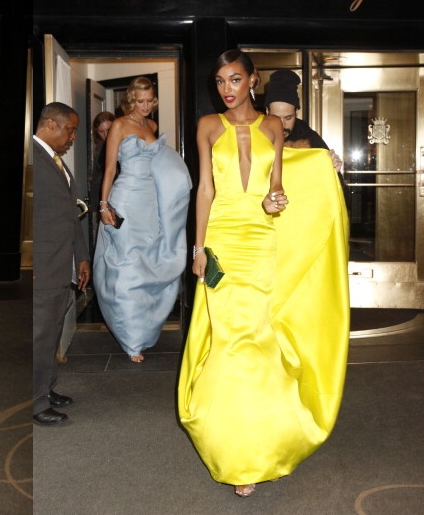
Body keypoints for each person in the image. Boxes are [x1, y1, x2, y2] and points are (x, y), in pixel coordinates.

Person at [178, 50, 349, 498]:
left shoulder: (273, 126)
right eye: (220, 81)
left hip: (259, 243)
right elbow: (205, 190)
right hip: (221, 242)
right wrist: (198, 248)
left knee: (256, 339)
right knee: (230, 340)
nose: (227, 89)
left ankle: (259, 445)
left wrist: (276, 200)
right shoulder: (207, 125)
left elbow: (276, 190)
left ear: (252, 80)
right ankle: (239, 454)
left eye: (235, 79)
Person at [92, 77, 192, 363]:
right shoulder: (119, 125)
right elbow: (109, 169)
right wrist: (103, 204)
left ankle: (143, 328)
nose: (146, 106)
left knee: (147, 264)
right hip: (125, 199)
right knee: (127, 266)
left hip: (150, 202)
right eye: (140, 101)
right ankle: (131, 340)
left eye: (150, 100)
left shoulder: (152, 126)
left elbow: (162, 166)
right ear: (130, 100)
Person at [33, 102, 90, 426]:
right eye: (70, 130)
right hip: (44, 266)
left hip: (61, 264)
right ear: (51, 125)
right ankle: (36, 402)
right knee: (40, 337)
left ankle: (46, 387)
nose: (72, 138)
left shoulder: (56, 161)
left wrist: (81, 257)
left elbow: (70, 214)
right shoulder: (34, 158)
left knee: (52, 333)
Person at [264, 69, 345, 172]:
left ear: (296, 113)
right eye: (276, 118)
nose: (282, 125)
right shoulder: (256, 135)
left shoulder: (310, 139)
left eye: (288, 118)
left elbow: (328, 177)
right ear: (267, 111)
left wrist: (334, 171)